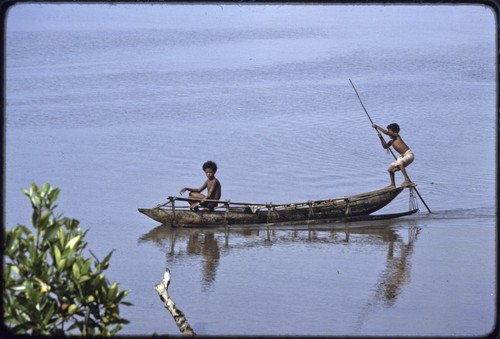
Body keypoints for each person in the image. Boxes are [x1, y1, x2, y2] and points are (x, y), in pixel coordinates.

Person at [372, 123, 414, 187]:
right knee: (390, 169)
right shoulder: (391, 141)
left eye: (389, 131)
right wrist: (381, 138)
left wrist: (377, 127)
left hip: (409, 155)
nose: (389, 133)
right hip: (403, 157)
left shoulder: (397, 136)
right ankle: (392, 184)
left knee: (399, 163)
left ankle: (407, 180)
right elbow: (385, 146)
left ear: (394, 132)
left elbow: (386, 133)